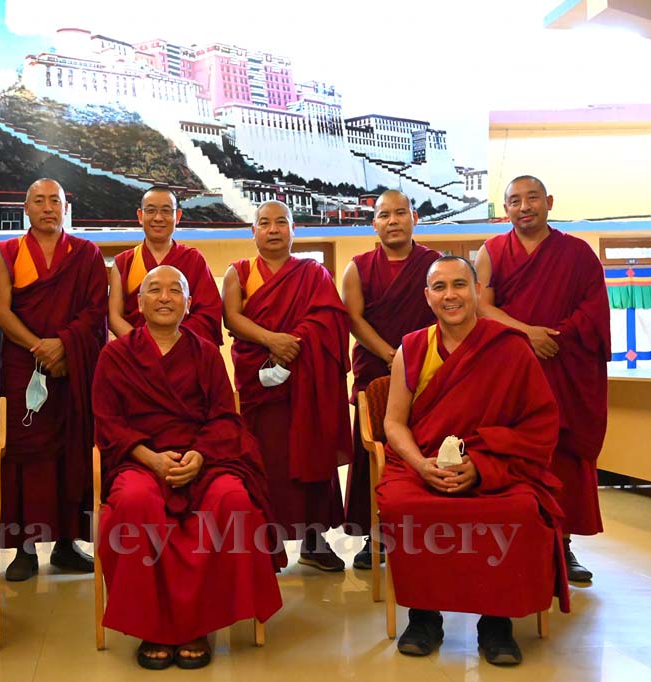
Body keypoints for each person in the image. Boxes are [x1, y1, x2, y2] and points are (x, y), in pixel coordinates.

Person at [379, 256, 569, 667]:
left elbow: (539, 424)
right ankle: (424, 617)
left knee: (519, 510)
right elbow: (393, 422)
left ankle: (496, 622)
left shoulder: (511, 348)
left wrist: (481, 466)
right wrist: (421, 465)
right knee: (401, 505)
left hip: (496, 464)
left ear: (478, 291)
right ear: (427, 296)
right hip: (424, 463)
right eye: (440, 287)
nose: (451, 295)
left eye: (460, 285)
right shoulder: (412, 348)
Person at [94, 265, 283, 670]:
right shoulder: (115, 356)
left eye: (175, 290)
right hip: (140, 460)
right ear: (138, 303)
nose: (165, 297)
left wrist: (199, 456)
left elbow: (224, 417)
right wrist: (150, 458)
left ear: (189, 303)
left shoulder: (206, 353)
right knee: (135, 503)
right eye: (154, 290)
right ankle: (153, 627)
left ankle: (202, 624)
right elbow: (108, 422)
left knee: (232, 500)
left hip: (204, 459)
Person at [475, 175, 610, 583]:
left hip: (563, 363)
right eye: (515, 201)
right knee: (514, 453)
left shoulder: (577, 253)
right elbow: (482, 307)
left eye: (532, 198)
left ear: (549, 201)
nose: (524, 207)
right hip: (513, 367)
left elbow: (593, 308)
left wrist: (557, 336)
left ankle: (562, 546)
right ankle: (514, 544)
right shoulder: (492, 250)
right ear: (505, 210)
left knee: (562, 456)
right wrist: (527, 335)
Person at [222, 200, 351, 571]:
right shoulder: (239, 271)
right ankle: (267, 542)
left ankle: (314, 540)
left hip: (307, 385)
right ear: (254, 231)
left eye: (281, 222)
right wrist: (272, 340)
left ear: (294, 229)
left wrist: (295, 342)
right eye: (265, 223)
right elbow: (231, 317)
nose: (273, 229)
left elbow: (329, 320)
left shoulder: (313, 273)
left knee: (311, 453)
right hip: (261, 385)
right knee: (265, 463)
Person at [0, 178, 108, 581]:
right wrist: (40, 347)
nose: (47, 208)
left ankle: (66, 544)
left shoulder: (86, 253)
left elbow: (95, 309)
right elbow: (0, 311)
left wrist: (64, 345)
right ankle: (24, 548)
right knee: (24, 453)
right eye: (38, 201)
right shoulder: (7, 252)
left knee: (72, 449)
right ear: (26, 208)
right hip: (24, 364)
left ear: (64, 208)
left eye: (54, 201)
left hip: (74, 365)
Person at [341, 190, 439, 568]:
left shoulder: (433, 264)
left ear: (415, 218)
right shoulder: (359, 267)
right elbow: (353, 318)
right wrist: (391, 355)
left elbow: (445, 315)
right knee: (374, 451)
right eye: (384, 215)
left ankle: (425, 527)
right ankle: (375, 534)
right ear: (374, 223)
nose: (393, 221)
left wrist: (414, 357)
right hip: (376, 370)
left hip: (427, 370)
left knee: (426, 443)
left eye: (400, 213)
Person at [108, 186, 223, 345]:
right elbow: (114, 317)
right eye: (150, 210)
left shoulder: (193, 259)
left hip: (184, 349)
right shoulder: (124, 262)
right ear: (140, 216)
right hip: (137, 351)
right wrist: (144, 344)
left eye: (166, 211)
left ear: (178, 216)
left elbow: (208, 314)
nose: (158, 218)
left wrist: (172, 343)